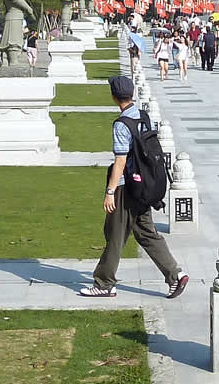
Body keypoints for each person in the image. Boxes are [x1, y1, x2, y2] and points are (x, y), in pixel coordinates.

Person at [79, 76, 189, 299]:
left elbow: (121, 161)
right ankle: (175, 275)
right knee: (146, 233)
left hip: (126, 188)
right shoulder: (143, 116)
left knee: (115, 234)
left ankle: (104, 283)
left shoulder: (121, 124)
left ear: (113, 96)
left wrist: (110, 192)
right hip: (144, 186)